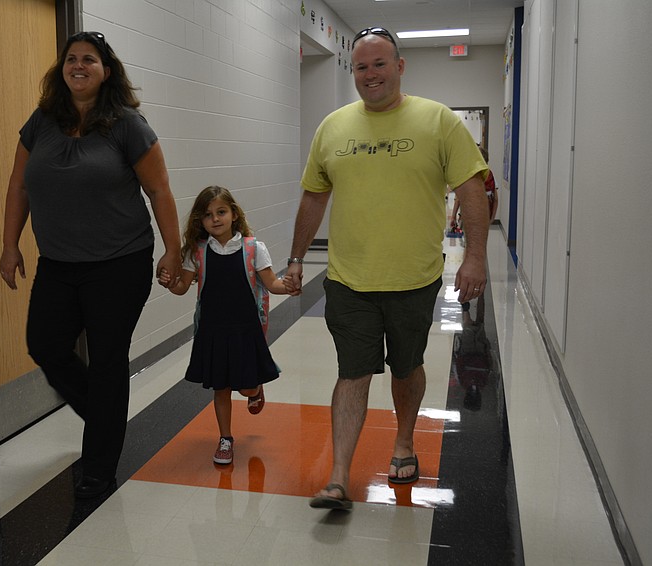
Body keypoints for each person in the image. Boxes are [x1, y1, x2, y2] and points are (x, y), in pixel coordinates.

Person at [287, 27, 490, 510]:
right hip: (348, 279)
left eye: (380, 64)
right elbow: (314, 198)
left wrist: (476, 256)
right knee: (352, 372)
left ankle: (403, 442)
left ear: (400, 66)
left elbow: (471, 190)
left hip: (413, 279)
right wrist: (296, 258)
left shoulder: (437, 121)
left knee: (406, 366)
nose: (370, 74)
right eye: (361, 66)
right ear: (351, 71)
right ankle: (338, 476)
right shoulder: (332, 127)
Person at [0, 31, 182, 499]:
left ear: (106, 71)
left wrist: (174, 250)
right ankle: (105, 419)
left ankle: (99, 467)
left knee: (105, 362)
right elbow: (19, 186)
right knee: (45, 344)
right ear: (62, 68)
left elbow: (159, 191)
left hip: (119, 263)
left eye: (90, 60)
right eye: (72, 59)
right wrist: (10, 244)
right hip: (58, 263)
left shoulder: (126, 124)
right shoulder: (41, 121)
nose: (79, 66)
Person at [159, 186, 297, 465]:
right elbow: (183, 287)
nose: (216, 219)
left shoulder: (253, 248)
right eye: (208, 215)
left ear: (234, 214)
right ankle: (225, 438)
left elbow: (271, 283)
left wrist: (289, 287)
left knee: (244, 387)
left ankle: (254, 389)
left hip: (245, 329)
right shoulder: (197, 252)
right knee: (220, 387)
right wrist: (170, 283)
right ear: (201, 221)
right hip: (213, 330)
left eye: (221, 212)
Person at [452, 145, 499, 229]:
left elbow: (459, 199)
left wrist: (453, 216)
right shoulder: (490, 175)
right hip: (485, 217)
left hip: (468, 216)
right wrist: (492, 218)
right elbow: (495, 199)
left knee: (468, 240)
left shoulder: (468, 175)